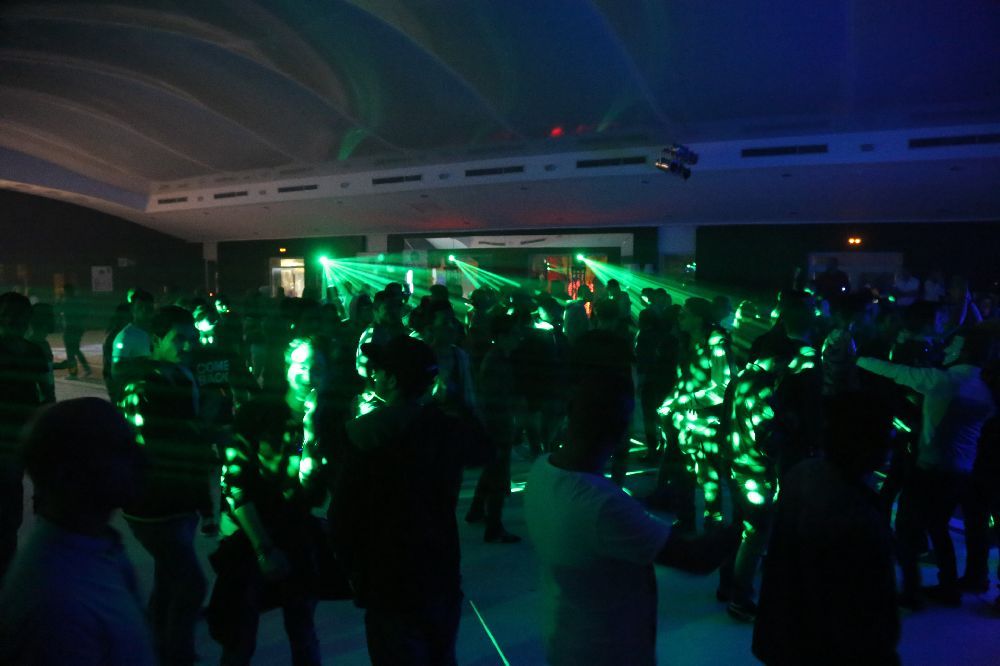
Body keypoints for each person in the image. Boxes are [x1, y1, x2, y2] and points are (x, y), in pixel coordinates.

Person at [524, 330, 737, 666]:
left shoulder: (541, 471)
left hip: (565, 635)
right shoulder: (603, 506)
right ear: (621, 426)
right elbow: (698, 559)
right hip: (609, 650)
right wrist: (750, 517)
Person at [328, 335, 476, 665]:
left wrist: (352, 568)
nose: (373, 375)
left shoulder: (363, 433)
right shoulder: (448, 428)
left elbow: (342, 513)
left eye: (379, 370)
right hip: (439, 564)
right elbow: (484, 449)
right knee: (441, 654)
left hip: (387, 574)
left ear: (393, 380)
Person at [0, 398, 154, 665]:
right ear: (68, 475)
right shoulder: (57, 608)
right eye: (120, 450)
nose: (142, 459)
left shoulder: (95, 546)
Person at [753, 393, 900, 666]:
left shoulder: (801, 475)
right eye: (886, 435)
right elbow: (865, 609)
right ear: (866, 443)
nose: (892, 445)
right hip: (829, 651)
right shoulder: (856, 513)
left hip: (784, 639)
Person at [858, 328, 997, 607]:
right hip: (962, 471)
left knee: (908, 528)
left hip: (930, 468)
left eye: (952, 345)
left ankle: (912, 591)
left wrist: (859, 359)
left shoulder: (942, 381)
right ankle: (949, 587)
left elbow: (896, 372)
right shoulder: (986, 391)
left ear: (964, 351)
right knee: (938, 526)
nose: (946, 350)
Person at [119, 306, 214, 665]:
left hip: (181, 499)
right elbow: (145, 443)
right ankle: (177, 654)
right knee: (191, 584)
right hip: (152, 504)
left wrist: (204, 505)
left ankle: (154, 645)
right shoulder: (141, 385)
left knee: (169, 578)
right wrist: (202, 429)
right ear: (157, 340)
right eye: (179, 339)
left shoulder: (185, 377)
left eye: (192, 338)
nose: (188, 345)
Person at [207, 397, 323, 665]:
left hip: (291, 539)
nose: (286, 438)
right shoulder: (238, 451)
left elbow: (311, 497)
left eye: (288, 431)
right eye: (276, 433)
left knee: (301, 627)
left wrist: (311, 465)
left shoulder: (295, 445)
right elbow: (240, 499)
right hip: (247, 546)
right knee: (240, 634)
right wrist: (264, 549)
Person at [0, 292, 48, 582]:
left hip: (27, 440)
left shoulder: (34, 352)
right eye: (7, 313)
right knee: (7, 515)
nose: (13, 319)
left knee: (13, 514)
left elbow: (46, 394)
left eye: (19, 314)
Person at [60, 283, 92, 379]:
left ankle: (73, 373)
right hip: (78, 328)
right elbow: (86, 312)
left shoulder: (66, 301)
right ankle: (86, 368)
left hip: (70, 328)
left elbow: (63, 313)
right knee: (75, 349)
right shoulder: (79, 300)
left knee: (70, 352)